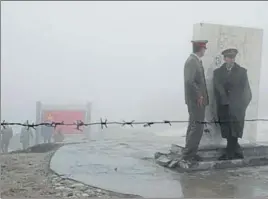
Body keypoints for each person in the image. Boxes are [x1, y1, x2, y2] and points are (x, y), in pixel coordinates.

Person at [213, 48, 252, 160]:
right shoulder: (217, 73)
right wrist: (220, 104)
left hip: (237, 107)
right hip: (223, 106)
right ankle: (236, 151)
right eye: (229, 57)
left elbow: (247, 91)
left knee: (235, 129)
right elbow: (216, 90)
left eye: (233, 57)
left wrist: (242, 105)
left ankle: (229, 154)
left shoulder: (242, 72)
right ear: (224, 59)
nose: (231, 60)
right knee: (227, 129)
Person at [181, 40, 209, 164]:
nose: (205, 50)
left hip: (197, 99)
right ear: (200, 49)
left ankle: (191, 152)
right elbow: (190, 81)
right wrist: (199, 95)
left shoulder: (195, 61)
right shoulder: (192, 61)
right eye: (204, 48)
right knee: (196, 126)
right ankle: (188, 155)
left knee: (195, 125)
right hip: (196, 100)